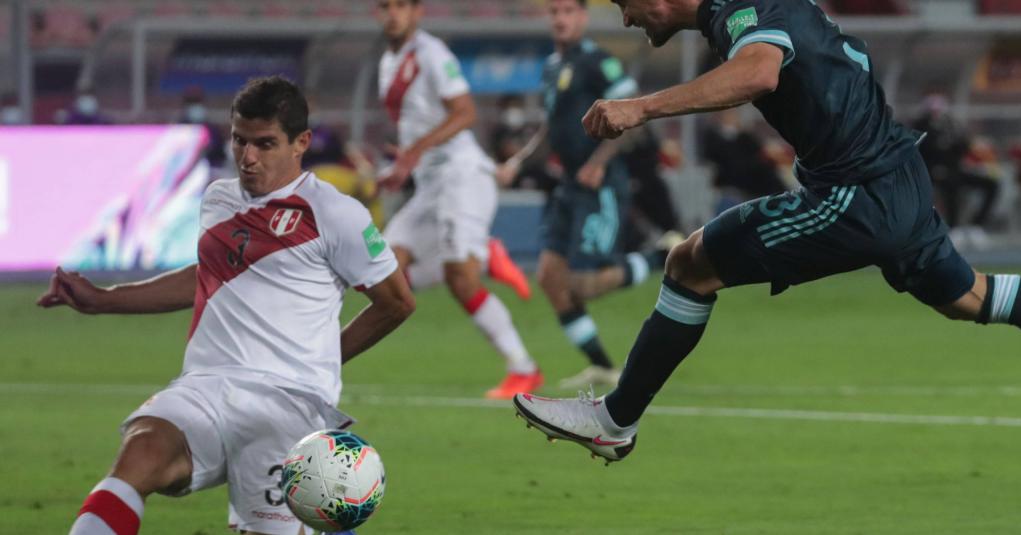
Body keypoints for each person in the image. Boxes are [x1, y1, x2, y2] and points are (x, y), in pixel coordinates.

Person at [513, 0, 1021, 464]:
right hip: (898, 177)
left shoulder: (740, 10)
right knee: (970, 296)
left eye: (624, 2)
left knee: (691, 263)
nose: (625, 16)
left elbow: (759, 71)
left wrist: (641, 107)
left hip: (857, 194)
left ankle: (615, 420)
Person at [42, 76, 416, 534]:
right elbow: (209, 275)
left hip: (287, 403)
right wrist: (104, 300)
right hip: (206, 386)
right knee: (140, 453)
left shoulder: (335, 214)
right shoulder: (218, 198)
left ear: (301, 143)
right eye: (240, 140)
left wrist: (328, 357)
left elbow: (396, 301)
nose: (248, 157)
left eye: (265, 143)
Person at [374, 0, 542, 399]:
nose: (393, 13)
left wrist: (415, 151)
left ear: (418, 12)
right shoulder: (387, 62)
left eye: (401, 6)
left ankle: (523, 368)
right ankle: (484, 253)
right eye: (385, 6)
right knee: (385, 272)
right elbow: (415, 125)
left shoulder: (432, 54)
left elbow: (466, 112)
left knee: (462, 279)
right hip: (430, 185)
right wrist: (404, 166)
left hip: (462, 175)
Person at [496, 0, 651, 389]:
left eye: (568, 11)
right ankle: (603, 366)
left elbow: (634, 119)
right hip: (568, 186)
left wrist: (599, 162)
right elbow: (551, 129)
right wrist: (518, 162)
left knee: (583, 283)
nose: (560, 19)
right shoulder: (552, 67)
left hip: (601, 185)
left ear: (583, 16)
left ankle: (661, 257)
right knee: (550, 278)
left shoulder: (598, 62)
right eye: (554, 12)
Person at [911, 90, 998, 249]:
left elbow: (963, 148)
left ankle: (976, 226)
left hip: (955, 169)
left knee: (991, 184)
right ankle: (954, 227)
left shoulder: (951, 124)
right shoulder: (919, 126)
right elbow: (918, 153)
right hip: (932, 172)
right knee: (951, 183)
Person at [701, 106, 786, 214]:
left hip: (752, 179)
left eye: (733, 113)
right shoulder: (713, 137)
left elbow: (759, 151)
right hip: (733, 181)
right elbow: (720, 158)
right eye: (728, 114)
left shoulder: (745, 136)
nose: (732, 116)